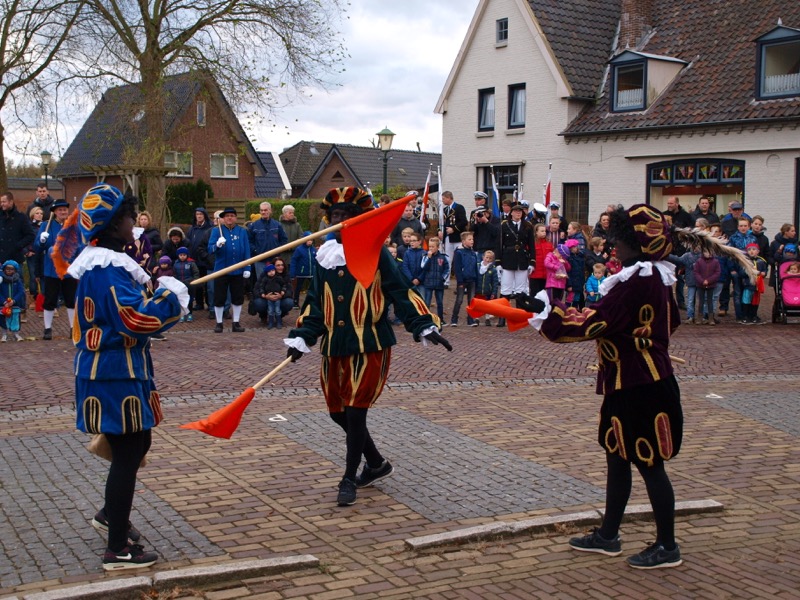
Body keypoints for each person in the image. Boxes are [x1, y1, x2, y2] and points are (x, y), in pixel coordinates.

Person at [528, 204, 684, 570]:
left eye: (619, 241)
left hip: (641, 384)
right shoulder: (658, 277)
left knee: (649, 463)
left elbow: (595, 321)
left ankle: (667, 545)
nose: (614, 247)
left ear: (636, 244)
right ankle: (608, 535)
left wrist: (547, 316)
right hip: (628, 379)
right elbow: (669, 323)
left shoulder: (639, 280)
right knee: (617, 454)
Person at [285, 187, 451, 507]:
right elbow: (316, 304)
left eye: (347, 215)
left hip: (370, 342)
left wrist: (423, 325)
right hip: (334, 344)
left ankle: (348, 477)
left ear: (359, 219)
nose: (341, 220)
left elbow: (400, 292)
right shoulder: (325, 257)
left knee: (355, 412)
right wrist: (303, 335)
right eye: (335, 216)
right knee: (337, 413)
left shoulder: (376, 252)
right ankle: (376, 463)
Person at [54, 184, 187, 571]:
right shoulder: (106, 268)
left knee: (134, 444)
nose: (134, 224)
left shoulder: (104, 264)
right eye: (129, 217)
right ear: (114, 224)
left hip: (116, 371)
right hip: (114, 374)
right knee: (128, 453)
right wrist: (169, 299)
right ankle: (117, 549)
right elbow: (133, 319)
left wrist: (162, 293)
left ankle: (111, 516)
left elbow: (127, 314)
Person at [34, 199, 78, 340]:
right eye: (60, 210)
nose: (63, 212)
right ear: (54, 212)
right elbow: (37, 247)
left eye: (65, 209)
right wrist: (42, 241)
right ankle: (47, 329)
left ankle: (73, 328)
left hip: (68, 268)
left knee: (71, 299)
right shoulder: (46, 226)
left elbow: (79, 245)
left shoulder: (73, 226)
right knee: (50, 300)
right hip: (51, 269)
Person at [208, 207, 251, 333]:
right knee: (219, 297)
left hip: (237, 270)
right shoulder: (216, 231)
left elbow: (246, 249)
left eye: (232, 215)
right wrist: (217, 245)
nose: (229, 218)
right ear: (223, 218)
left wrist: (247, 267)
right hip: (221, 269)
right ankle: (219, 323)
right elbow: (209, 249)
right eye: (227, 216)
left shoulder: (242, 231)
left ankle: (236, 323)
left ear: (236, 217)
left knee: (237, 297)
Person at [498, 204, 535, 310]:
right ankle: (502, 316)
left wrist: (532, 262)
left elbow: (531, 246)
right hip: (508, 259)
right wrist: (498, 262)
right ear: (511, 213)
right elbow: (499, 244)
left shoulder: (527, 226)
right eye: (516, 211)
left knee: (520, 289)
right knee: (506, 289)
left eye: (520, 211)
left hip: (522, 259)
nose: (518, 213)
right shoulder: (504, 225)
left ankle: (518, 314)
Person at [247, 202, 288, 274]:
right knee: (262, 282)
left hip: (274, 260)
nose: (263, 212)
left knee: (275, 282)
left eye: (265, 210)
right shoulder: (254, 226)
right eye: (261, 210)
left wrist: (278, 250)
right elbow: (249, 241)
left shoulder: (277, 225)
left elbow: (284, 240)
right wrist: (256, 250)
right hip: (260, 260)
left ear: (270, 210)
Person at [450, 232, 480, 326]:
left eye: (472, 239)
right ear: (463, 241)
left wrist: (477, 279)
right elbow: (457, 268)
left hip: (472, 279)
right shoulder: (459, 252)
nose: (472, 241)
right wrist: (460, 281)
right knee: (459, 300)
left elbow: (475, 267)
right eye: (469, 239)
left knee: (471, 301)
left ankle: (470, 319)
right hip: (463, 280)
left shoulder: (473, 253)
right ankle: (454, 319)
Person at [185, 208, 212, 310]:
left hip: (206, 260)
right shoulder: (192, 229)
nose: (199, 216)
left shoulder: (209, 228)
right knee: (197, 282)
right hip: (194, 260)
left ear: (204, 215)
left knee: (208, 284)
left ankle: (209, 303)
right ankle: (199, 303)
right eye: (197, 214)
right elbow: (188, 241)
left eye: (201, 214)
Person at [1, 192, 35, 266]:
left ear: (11, 202)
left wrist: (18, 245)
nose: (2, 204)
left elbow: (30, 235)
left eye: (4, 202)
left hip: (15, 258)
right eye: (1, 202)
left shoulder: (21, 217)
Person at [420, 237, 449, 322]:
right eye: (430, 246)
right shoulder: (425, 256)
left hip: (439, 283)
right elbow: (423, 267)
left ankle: (441, 319)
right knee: (427, 302)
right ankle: (427, 319)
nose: (431, 248)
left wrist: (443, 278)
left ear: (437, 247)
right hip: (428, 283)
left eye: (433, 246)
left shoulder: (443, 257)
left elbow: (447, 269)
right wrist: (428, 258)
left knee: (439, 303)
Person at [740, 243, 767, 324]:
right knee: (746, 299)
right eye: (749, 249)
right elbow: (741, 273)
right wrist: (750, 272)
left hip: (757, 285)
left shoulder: (761, 261)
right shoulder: (745, 261)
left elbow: (764, 270)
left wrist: (763, 273)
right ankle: (745, 316)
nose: (751, 251)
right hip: (748, 284)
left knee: (755, 301)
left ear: (758, 251)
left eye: (753, 249)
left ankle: (754, 315)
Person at [438, 191, 468, 266]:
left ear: (449, 198)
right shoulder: (444, 210)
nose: (443, 200)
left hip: (457, 237)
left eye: (444, 198)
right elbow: (440, 223)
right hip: (448, 238)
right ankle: (446, 277)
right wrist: (439, 231)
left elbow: (464, 221)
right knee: (447, 259)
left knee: (459, 259)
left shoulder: (459, 208)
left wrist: (453, 229)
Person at [253, 263, 286, 328]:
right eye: (269, 271)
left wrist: (282, 291)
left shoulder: (278, 278)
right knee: (270, 310)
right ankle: (270, 322)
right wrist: (263, 293)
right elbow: (261, 287)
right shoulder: (265, 279)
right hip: (268, 298)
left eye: (272, 270)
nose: (271, 272)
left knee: (277, 310)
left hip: (278, 297)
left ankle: (279, 322)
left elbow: (284, 285)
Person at [1, 260, 26, 342]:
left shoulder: (17, 280)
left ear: (15, 270)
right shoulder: (1, 280)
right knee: (3, 319)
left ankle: (16, 333)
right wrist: (4, 302)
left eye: (11, 269)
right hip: (3, 304)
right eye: (7, 269)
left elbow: (21, 291)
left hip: (15, 304)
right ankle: (4, 334)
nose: (9, 271)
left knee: (15, 318)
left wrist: (14, 300)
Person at [694, 250, 721, 325]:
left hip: (711, 284)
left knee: (710, 301)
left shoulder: (715, 261)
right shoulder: (699, 261)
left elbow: (717, 273)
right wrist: (702, 281)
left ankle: (711, 318)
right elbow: (696, 272)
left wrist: (709, 281)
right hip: (700, 284)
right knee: (701, 301)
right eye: (706, 252)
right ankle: (699, 318)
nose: (708, 254)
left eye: (709, 252)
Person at [173, 247, 199, 322]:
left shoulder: (191, 263)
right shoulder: (176, 264)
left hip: (189, 285)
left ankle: (189, 313)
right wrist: (176, 282)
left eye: (184, 255)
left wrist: (193, 281)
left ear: (187, 255)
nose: (182, 256)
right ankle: (182, 314)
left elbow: (196, 273)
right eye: (180, 255)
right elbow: (174, 274)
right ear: (178, 255)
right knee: (180, 300)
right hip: (180, 285)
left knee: (189, 300)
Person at [530, 223, 553, 298]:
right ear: (536, 232)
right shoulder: (532, 243)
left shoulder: (549, 244)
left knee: (544, 296)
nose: (544, 233)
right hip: (535, 274)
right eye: (542, 231)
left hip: (546, 274)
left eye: (545, 231)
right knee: (534, 295)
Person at [26, 206, 44, 297]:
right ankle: (34, 294)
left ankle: (42, 294)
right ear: (33, 215)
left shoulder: (44, 226)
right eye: (37, 213)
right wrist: (27, 251)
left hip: (42, 254)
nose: (39, 215)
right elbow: (24, 239)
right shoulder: (28, 226)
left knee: (43, 275)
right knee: (33, 275)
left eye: (41, 213)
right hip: (33, 254)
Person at [565, 238, 585, 308]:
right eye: (573, 247)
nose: (575, 248)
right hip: (572, 283)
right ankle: (568, 311)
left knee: (577, 298)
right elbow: (568, 273)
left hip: (579, 282)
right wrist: (569, 284)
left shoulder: (580, 257)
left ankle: (574, 311)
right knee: (570, 298)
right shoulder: (569, 258)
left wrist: (582, 282)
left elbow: (582, 271)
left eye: (576, 246)